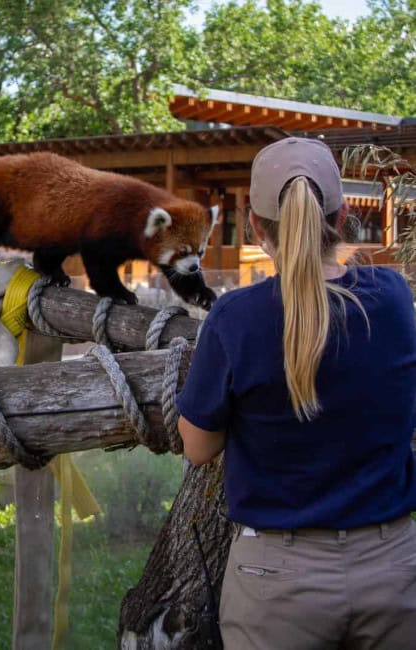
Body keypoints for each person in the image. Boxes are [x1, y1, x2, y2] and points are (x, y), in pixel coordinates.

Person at [176, 136, 416, 649]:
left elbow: (197, 448)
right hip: (393, 568)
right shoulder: (394, 299)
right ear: (344, 212)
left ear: (256, 225)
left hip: (277, 582)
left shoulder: (234, 318)